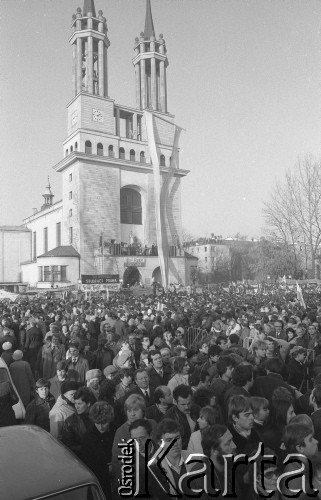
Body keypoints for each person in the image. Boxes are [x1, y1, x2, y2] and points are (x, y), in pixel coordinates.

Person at [148, 418, 191, 500]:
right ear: (160, 443)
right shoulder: (154, 467)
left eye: (177, 438)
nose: (174, 443)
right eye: (169, 440)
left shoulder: (195, 458)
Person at [81, 401, 116, 499]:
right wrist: (106, 468)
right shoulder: (88, 437)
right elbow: (87, 463)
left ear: (109, 420)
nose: (100, 427)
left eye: (104, 423)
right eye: (97, 423)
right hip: (99, 481)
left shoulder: (116, 431)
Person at [61, 387, 96, 455]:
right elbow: (67, 447)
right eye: (75, 403)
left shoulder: (97, 416)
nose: (76, 407)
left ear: (88, 403)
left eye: (79, 404)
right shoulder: (69, 421)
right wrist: (85, 448)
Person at [162, 385, 196, 450]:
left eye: (189, 403)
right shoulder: (169, 416)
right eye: (183, 404)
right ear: (175, 402)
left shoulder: (197, 410)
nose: (186, 407)